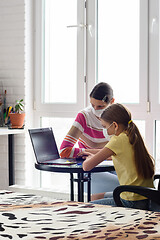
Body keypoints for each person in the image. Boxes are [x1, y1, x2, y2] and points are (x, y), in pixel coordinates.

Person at [82, 103, 155, 210]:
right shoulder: (131, 135)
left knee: (88, 207)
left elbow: (86, 167)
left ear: (115, 125)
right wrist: (90, 152)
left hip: (132, 201)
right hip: (146, 196)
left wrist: (89, 158)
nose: (104, 130)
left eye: (105, 126)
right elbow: (112, 154)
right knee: (95, 196)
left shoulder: (117, 140)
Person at [60, 82, 119, 198]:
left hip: (114, 166)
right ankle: (94, 203)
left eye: (100, 106)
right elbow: (64, 150)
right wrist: (85, 153)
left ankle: (95, 203)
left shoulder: (118, 117)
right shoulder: (84, 116)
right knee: (125, 188)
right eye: (92, 105)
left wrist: (103, 154)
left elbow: (122, 150)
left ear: (112, 102)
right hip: (92, 169)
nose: (95, 109)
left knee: (134, 186)